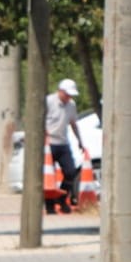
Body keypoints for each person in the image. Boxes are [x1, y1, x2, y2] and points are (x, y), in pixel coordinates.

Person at [47, 78, 86, 208]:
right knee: (49, 176)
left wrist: (80, 140)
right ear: (60, 91)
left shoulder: (71, 105)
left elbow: (73, 124)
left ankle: (62, 198)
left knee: (70, 172)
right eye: (67, 94)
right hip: (49, 143)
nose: (68, 97)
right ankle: (49, 204)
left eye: (71, 95)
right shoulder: (49, 101)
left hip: (63, 143)